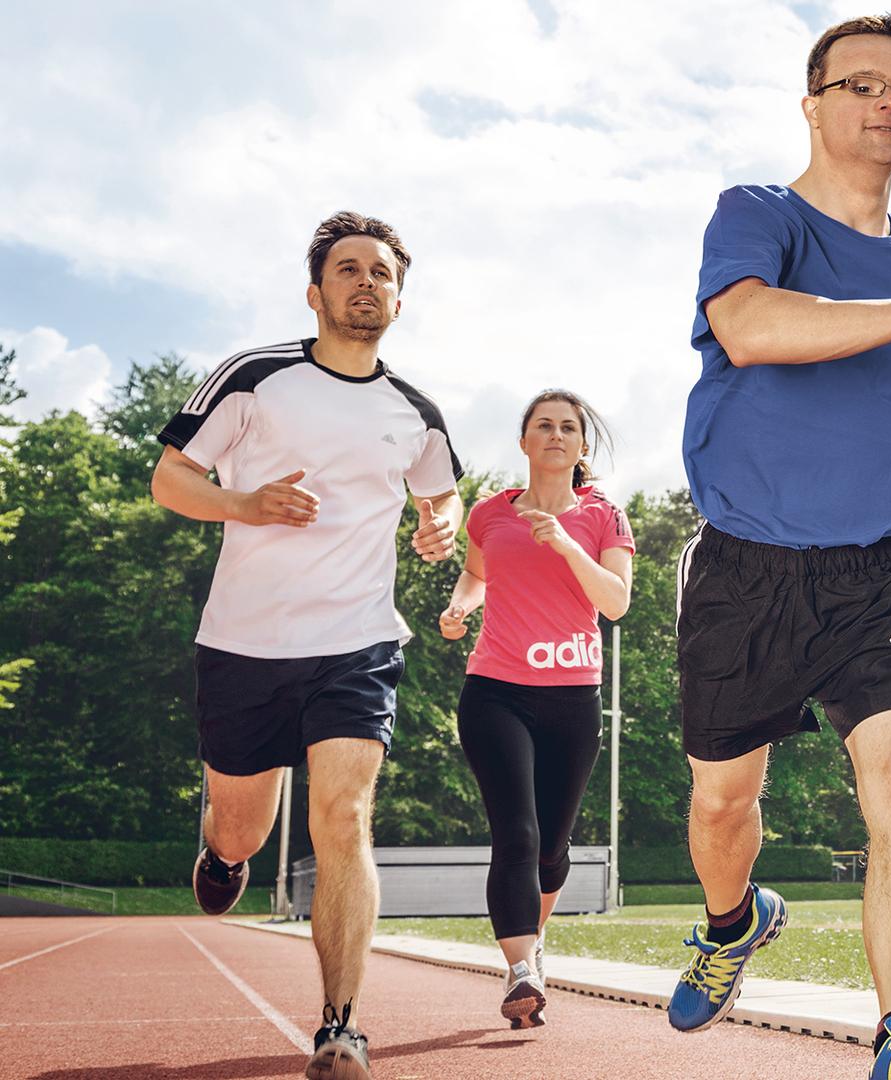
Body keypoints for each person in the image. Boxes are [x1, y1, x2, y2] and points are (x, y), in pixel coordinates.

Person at [671, 15, 891, 1080]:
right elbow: (750, 329)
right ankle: (733, 923)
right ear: (813, 106)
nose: (887, 103)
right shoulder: (759, 214)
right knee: (723, 802)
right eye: (862, 84)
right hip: (747, 566)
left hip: (875, 575)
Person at [152, 212, 462, 1080]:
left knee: (343, 816)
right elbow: (170, 478)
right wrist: (244, 505)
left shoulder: (417, 413)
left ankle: (340, 1027)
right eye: (348, 269)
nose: (367, 282)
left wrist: (441, 524)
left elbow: (442, 495)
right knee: (246, 829)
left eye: (382, 273)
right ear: (315, 292)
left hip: (357, 642)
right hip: (244, 643)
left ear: (399, 300)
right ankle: (223, 851)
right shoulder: (255, 377)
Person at [439, 391, 634, 1028]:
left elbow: (615, 603)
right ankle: (521, 970)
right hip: (496, 692)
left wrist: (567, 546)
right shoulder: (489, 514)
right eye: (543, 425)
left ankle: (535, 940)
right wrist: (461, 606)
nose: (555, 434)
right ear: (524, 441)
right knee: (517, 835)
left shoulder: (605, 516)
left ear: (581, 446)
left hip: (572, 697)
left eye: (567, 427)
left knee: (552, 849)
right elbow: (477, 575)